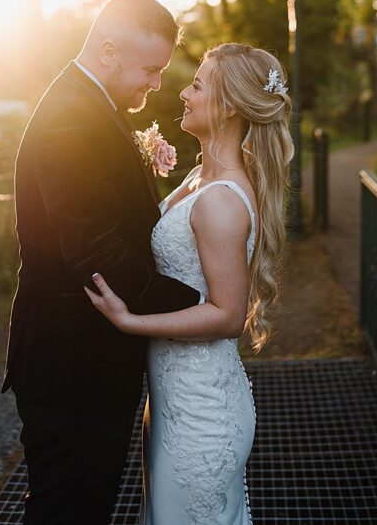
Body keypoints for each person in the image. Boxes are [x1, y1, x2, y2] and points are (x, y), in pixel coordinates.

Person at [1, 0, 202, 523]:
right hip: (72, 367)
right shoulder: (74, 118)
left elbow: (113, 220)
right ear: (109, 51)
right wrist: (199, 303)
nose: (156, 83)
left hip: (81, 366)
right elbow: (95, 251)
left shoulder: (88, 106)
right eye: (150, 69)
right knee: (69, 510)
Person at [85, 43, 292, 524]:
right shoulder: (199, 177)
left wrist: (128, 321)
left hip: (202, 416)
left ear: (230, 106)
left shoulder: (221, 201)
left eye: (197, 85)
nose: (183, 92)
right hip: (173, 401)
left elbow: (227, 315)